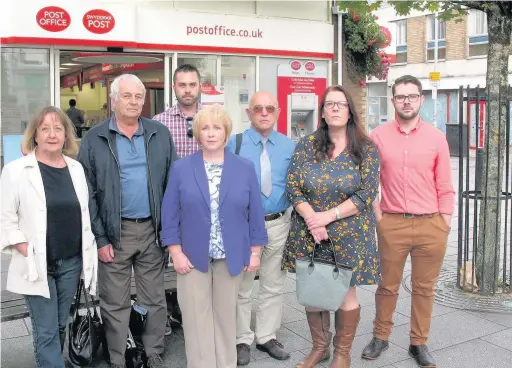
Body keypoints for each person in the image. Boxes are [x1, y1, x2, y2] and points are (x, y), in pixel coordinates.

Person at [77, 73, 177, 368]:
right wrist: (101, 238)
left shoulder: (158, 133)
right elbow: (88, 193)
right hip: (114, 231)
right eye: (127, 96)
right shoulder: (95, 138)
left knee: (154, 297)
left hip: (151, 229)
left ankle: (153, 349)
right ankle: (118, 355)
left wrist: (168, 232)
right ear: (114, 99)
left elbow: (171, 184)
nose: (133, 102)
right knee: (115, 300)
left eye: (138, 97)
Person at [161, 104, 268, 368]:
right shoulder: (181, 169)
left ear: (226, 133)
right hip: (191, 257)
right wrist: (175, 251)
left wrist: (255, 252)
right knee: (196, 320)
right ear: (197, 134)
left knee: (225, 318)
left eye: (216, 127)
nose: (211, 133)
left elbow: (255, 212)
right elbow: (169, 213)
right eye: (205, 128)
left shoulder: (244, 168)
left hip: (231, 254)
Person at [282, 85, 381, 368]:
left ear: (350, 111)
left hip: (350, 234)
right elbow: (293, 187)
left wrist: (328, 216)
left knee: (345, 293)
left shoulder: (366, 148)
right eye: (329, 104)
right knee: (314, 291)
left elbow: (366, 193)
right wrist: (313, 218)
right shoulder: (307, 145)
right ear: (322, 113)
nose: (335, 108)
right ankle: (320, 348)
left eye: (341, 104)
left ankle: (342, 353)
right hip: (309, 232)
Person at [361, 75, 455, 368]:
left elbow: (445, 183)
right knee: (387, 286)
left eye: (412, 96)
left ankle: (418, 342)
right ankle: (381, 335)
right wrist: (378, 213)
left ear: (420, 99)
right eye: (400, 96)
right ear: (393, 101)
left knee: (424, 287)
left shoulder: (436, 137)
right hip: (392, 223)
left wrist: (445, 220)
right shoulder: (378, 136)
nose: (406, 101)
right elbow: (368, 179)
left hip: (431, 225)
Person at [1, 106, 97, 368]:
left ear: (67, 135)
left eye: (58, 129)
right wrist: (25, 249)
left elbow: (84, 213)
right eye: (45, 129)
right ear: (35, 135)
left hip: (70, 263)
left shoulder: (76, 169)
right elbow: (6, 218)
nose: (52, 134)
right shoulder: (17, 170)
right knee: (46, 332)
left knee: (59, 326)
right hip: (37, 264)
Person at [226, 91, 296, 364]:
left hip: (278, 223)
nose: (264, 113)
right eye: (258, 108)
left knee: (273, 284)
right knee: (241, 287)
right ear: (249, 113)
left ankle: (266, 336)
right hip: (243, 228)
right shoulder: (235, 144)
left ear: (278, 112)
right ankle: (241, 339)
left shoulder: (289, 146)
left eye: (269, 108)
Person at [152, 64, 202, 334]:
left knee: (196, 263)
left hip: (203, 207)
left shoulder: (211, 117)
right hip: (168, 205)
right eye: (182, 85)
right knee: (162, 262)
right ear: (174, 88)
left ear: (199, 86)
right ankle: (166, 315)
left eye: (192, 85)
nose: (187, 90)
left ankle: (193, 316)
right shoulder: (159, 122)